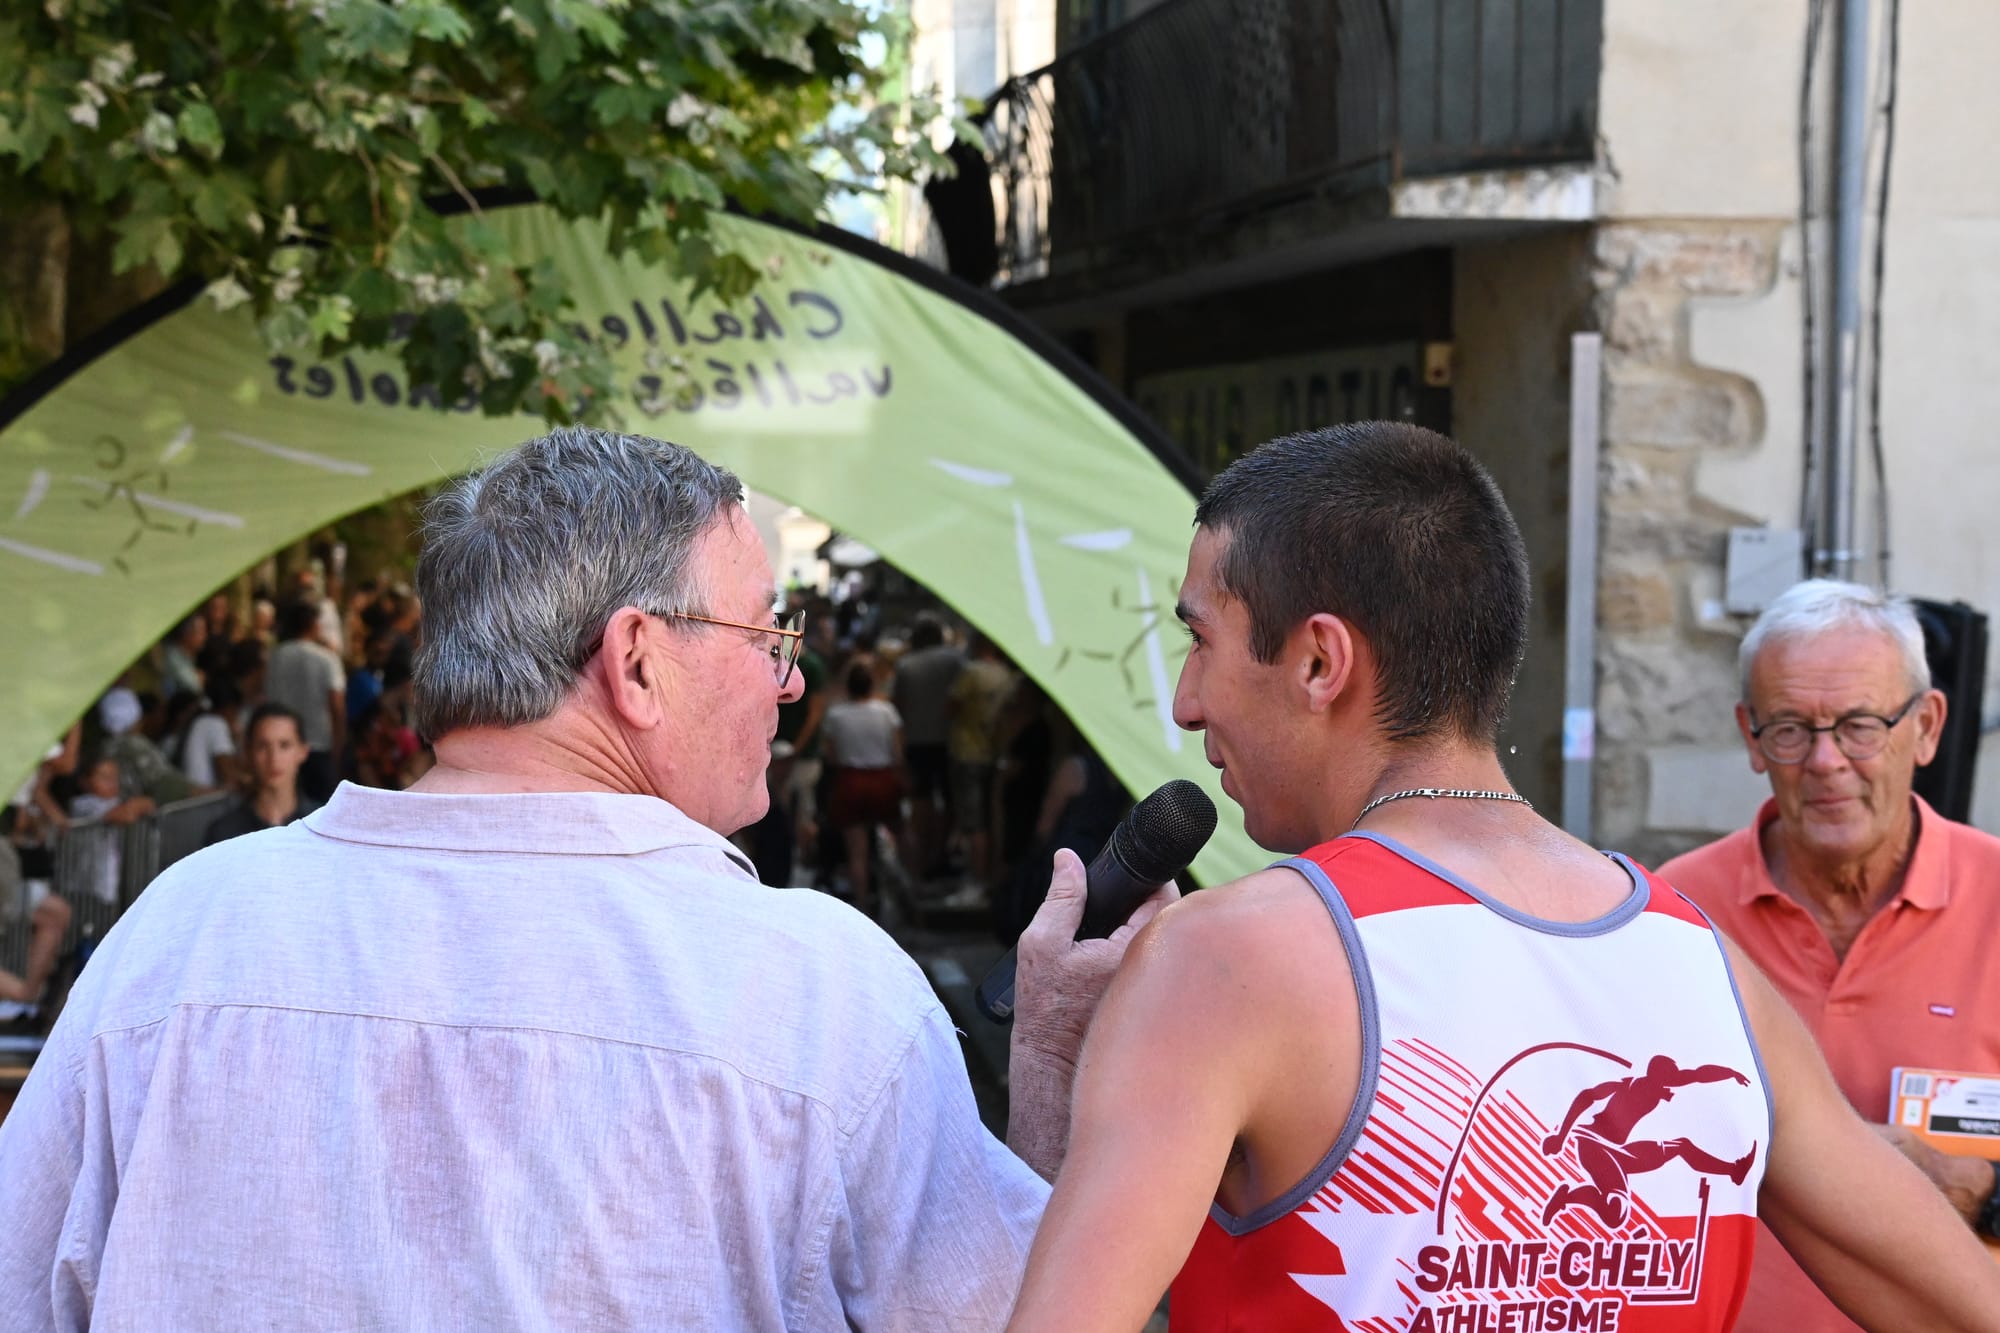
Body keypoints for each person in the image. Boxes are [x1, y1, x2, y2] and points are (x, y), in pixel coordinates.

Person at [0, 426, 1166, 1330]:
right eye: (770, 639)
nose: (790, 685)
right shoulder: (816, 994)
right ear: (637, 662)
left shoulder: (183, 937)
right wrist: (1057, 1067)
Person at [1006, 423, 2000, 1333]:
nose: (1184, 702)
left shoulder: (1222, 960)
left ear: (1319, 661)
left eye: (1199, 640)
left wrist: (1051, 1052)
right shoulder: (1703, 966)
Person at [1659, 578, 2000, 1332]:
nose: (1824, 761)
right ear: (1751, 736)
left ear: (1929, 725)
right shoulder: (1671, 917)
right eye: (1790, 728)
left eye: (1859, 725)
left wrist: (1981, 1187)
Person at [820, 659, 905, 918]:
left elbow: (831, 755)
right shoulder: (887, 711)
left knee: (857, 851)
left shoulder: (836, 715)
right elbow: (898, 752)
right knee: (900, 833)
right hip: (883, 779)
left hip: (850, 782)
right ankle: (911, 887)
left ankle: (862, 906)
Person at [944, 633, 1016, 904]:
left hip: (967, 751)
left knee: (973, 823)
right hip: (994, 753)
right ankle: (988, 878)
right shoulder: (1007, 676)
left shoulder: (971, 673)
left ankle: (977, 882)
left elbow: (949, 708)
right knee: (990, 819)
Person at [892, 613, 963, 881]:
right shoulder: (954, 660)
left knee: (921, 800)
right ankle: (941, 852)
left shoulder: (905, 665)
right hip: (948, 740)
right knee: (949, 799)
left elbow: (897, 703)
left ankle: (921, 856)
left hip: (916, 740)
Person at [263, 597, 345, 803]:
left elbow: (268, 698)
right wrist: (339, 746)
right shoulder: (326, 658)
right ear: (314, 625)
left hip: (283, 746)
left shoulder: (276, 657)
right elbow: (337, 706)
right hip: (319, 745)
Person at [203, 704, 319, 845]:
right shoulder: (224, 833)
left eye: (284, 745)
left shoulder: (323, 826)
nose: (273, 758)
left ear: (303, 751)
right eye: (262, 746)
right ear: (248, 752)